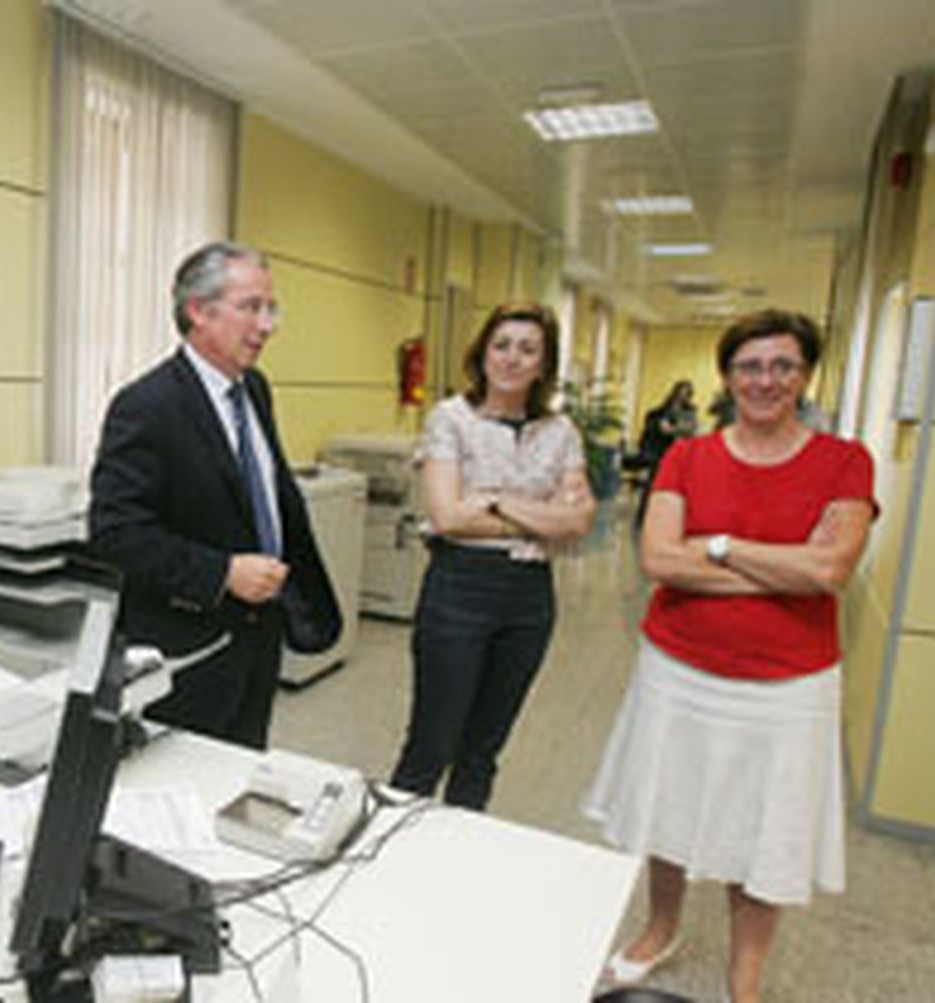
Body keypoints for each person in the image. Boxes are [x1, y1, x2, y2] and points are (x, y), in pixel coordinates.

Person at [583, 309, 877, 1003]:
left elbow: (829, 571)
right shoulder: (689, 456)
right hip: (679, 670)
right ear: (728, 376)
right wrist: (785, 564)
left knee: (764, 826)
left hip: (789, 684)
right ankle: (661, 927)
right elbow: (658, 557)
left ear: (805, 375)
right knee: (671, 804)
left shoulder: (845, 461)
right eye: (750, 365)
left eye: (782, 365)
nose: (766, 379)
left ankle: (744, 977)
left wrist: (717, 545)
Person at [88, 241, 340, 750]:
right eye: (251, 307)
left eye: (271, 308)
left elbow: (262, 495)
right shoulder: (146, 406)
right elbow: (115, 532)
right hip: (188, 648)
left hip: (257, 637)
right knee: (183, 792)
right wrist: (222, 572)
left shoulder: (256, 389)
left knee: (241, 772)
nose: (268, 325)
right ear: (198, 311)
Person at [388, 302, 593, 810]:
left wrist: (496, 500)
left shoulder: (560, 431)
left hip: (529, 598)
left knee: (482, 751)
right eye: (501, 345)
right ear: (481, 354)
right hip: (460, 588)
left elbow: (577, 523)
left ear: (544, 364)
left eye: (528, 349)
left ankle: (461, 857)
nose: (512, 358)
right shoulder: (451, 419)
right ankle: (386, 859)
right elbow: (449, 517)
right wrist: (539, 515)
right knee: (431, 745)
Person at [634, 379, 699, 526]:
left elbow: (690, 429)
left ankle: (668, 519)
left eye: (686, 393)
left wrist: (673, 429)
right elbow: (652, 426)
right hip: (661, 451)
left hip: (680, 452)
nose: (682, 396)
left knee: (676, 487)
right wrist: (660, 426)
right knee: (654, 483)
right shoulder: (661, 410)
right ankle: (645, 516)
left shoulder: (690, 411)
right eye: (680, 393)